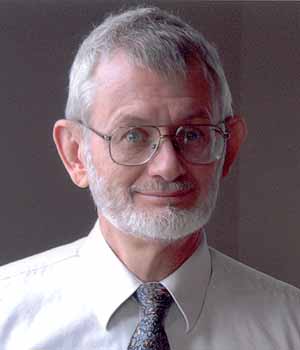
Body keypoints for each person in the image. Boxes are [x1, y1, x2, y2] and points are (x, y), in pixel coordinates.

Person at [0, 6, 299, 350]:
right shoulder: (8, 318)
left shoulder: (291, 327)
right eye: (133, 135)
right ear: (75, 153)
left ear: (228, 148)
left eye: (192, 134)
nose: (168, 166)